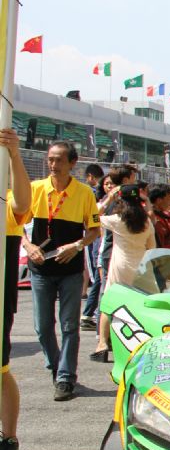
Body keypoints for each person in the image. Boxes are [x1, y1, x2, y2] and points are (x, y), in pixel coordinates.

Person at [22, 141, 101, 401]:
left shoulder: (84, 193)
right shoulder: (35, 189)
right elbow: (16, 223)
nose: (53, 164)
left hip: (71, 270)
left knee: (69, 325)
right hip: (40, 269)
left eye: (59, 160)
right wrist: (29, 246)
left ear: (72, 163)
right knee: (42, 326)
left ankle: (66, 377)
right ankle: (56, 367)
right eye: (50, 159)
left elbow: (94, 230)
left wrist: (77, 245)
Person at [92, 184, 155, 362]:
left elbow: (92, 216)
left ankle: (102, 345)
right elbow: (152, 247)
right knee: (139, 306)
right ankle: (139, 343)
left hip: (120, 266)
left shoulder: (117, 220)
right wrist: (147, 202)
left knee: (109, 305)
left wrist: (108, 199)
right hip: (141, 268)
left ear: (120, 200)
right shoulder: (146, 222)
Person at [0, 128, 33, 450]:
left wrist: (14, 154)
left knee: (1, 369)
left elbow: (23, 204)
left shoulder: (5, 203)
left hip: (0, 301)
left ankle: (8, 436)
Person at [79, 163, 105, 331]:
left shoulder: (94, 193)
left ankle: (90, 314)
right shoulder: (89, 193)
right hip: (92, 239)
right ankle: (89, 314)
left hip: (96, 239)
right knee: (97, 278)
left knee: (98, 278)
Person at [149, 183, 170, 251]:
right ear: (159, 200)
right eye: (168, 199)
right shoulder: (152, 218)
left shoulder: (161, 215)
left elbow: (164, 240)